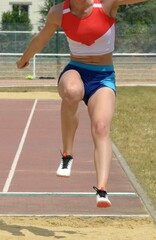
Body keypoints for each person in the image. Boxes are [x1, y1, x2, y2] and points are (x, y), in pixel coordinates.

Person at [17, 0, 147, 208]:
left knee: (101, 127)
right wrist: (24, 58)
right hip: (76, 69)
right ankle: (67, 155)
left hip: (103, 77)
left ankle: (102, 190)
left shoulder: (106, 4)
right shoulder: (58, 12)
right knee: (72, 91)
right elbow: (41, 38)